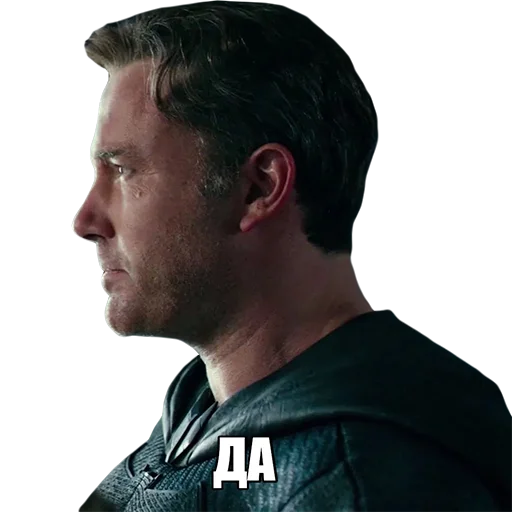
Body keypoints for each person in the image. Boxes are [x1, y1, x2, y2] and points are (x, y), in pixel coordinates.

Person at [72, 2, 512, 511]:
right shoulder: (209, 413)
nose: (86, 221)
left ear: (258, 188)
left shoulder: (360, 481)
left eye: (123, 171)